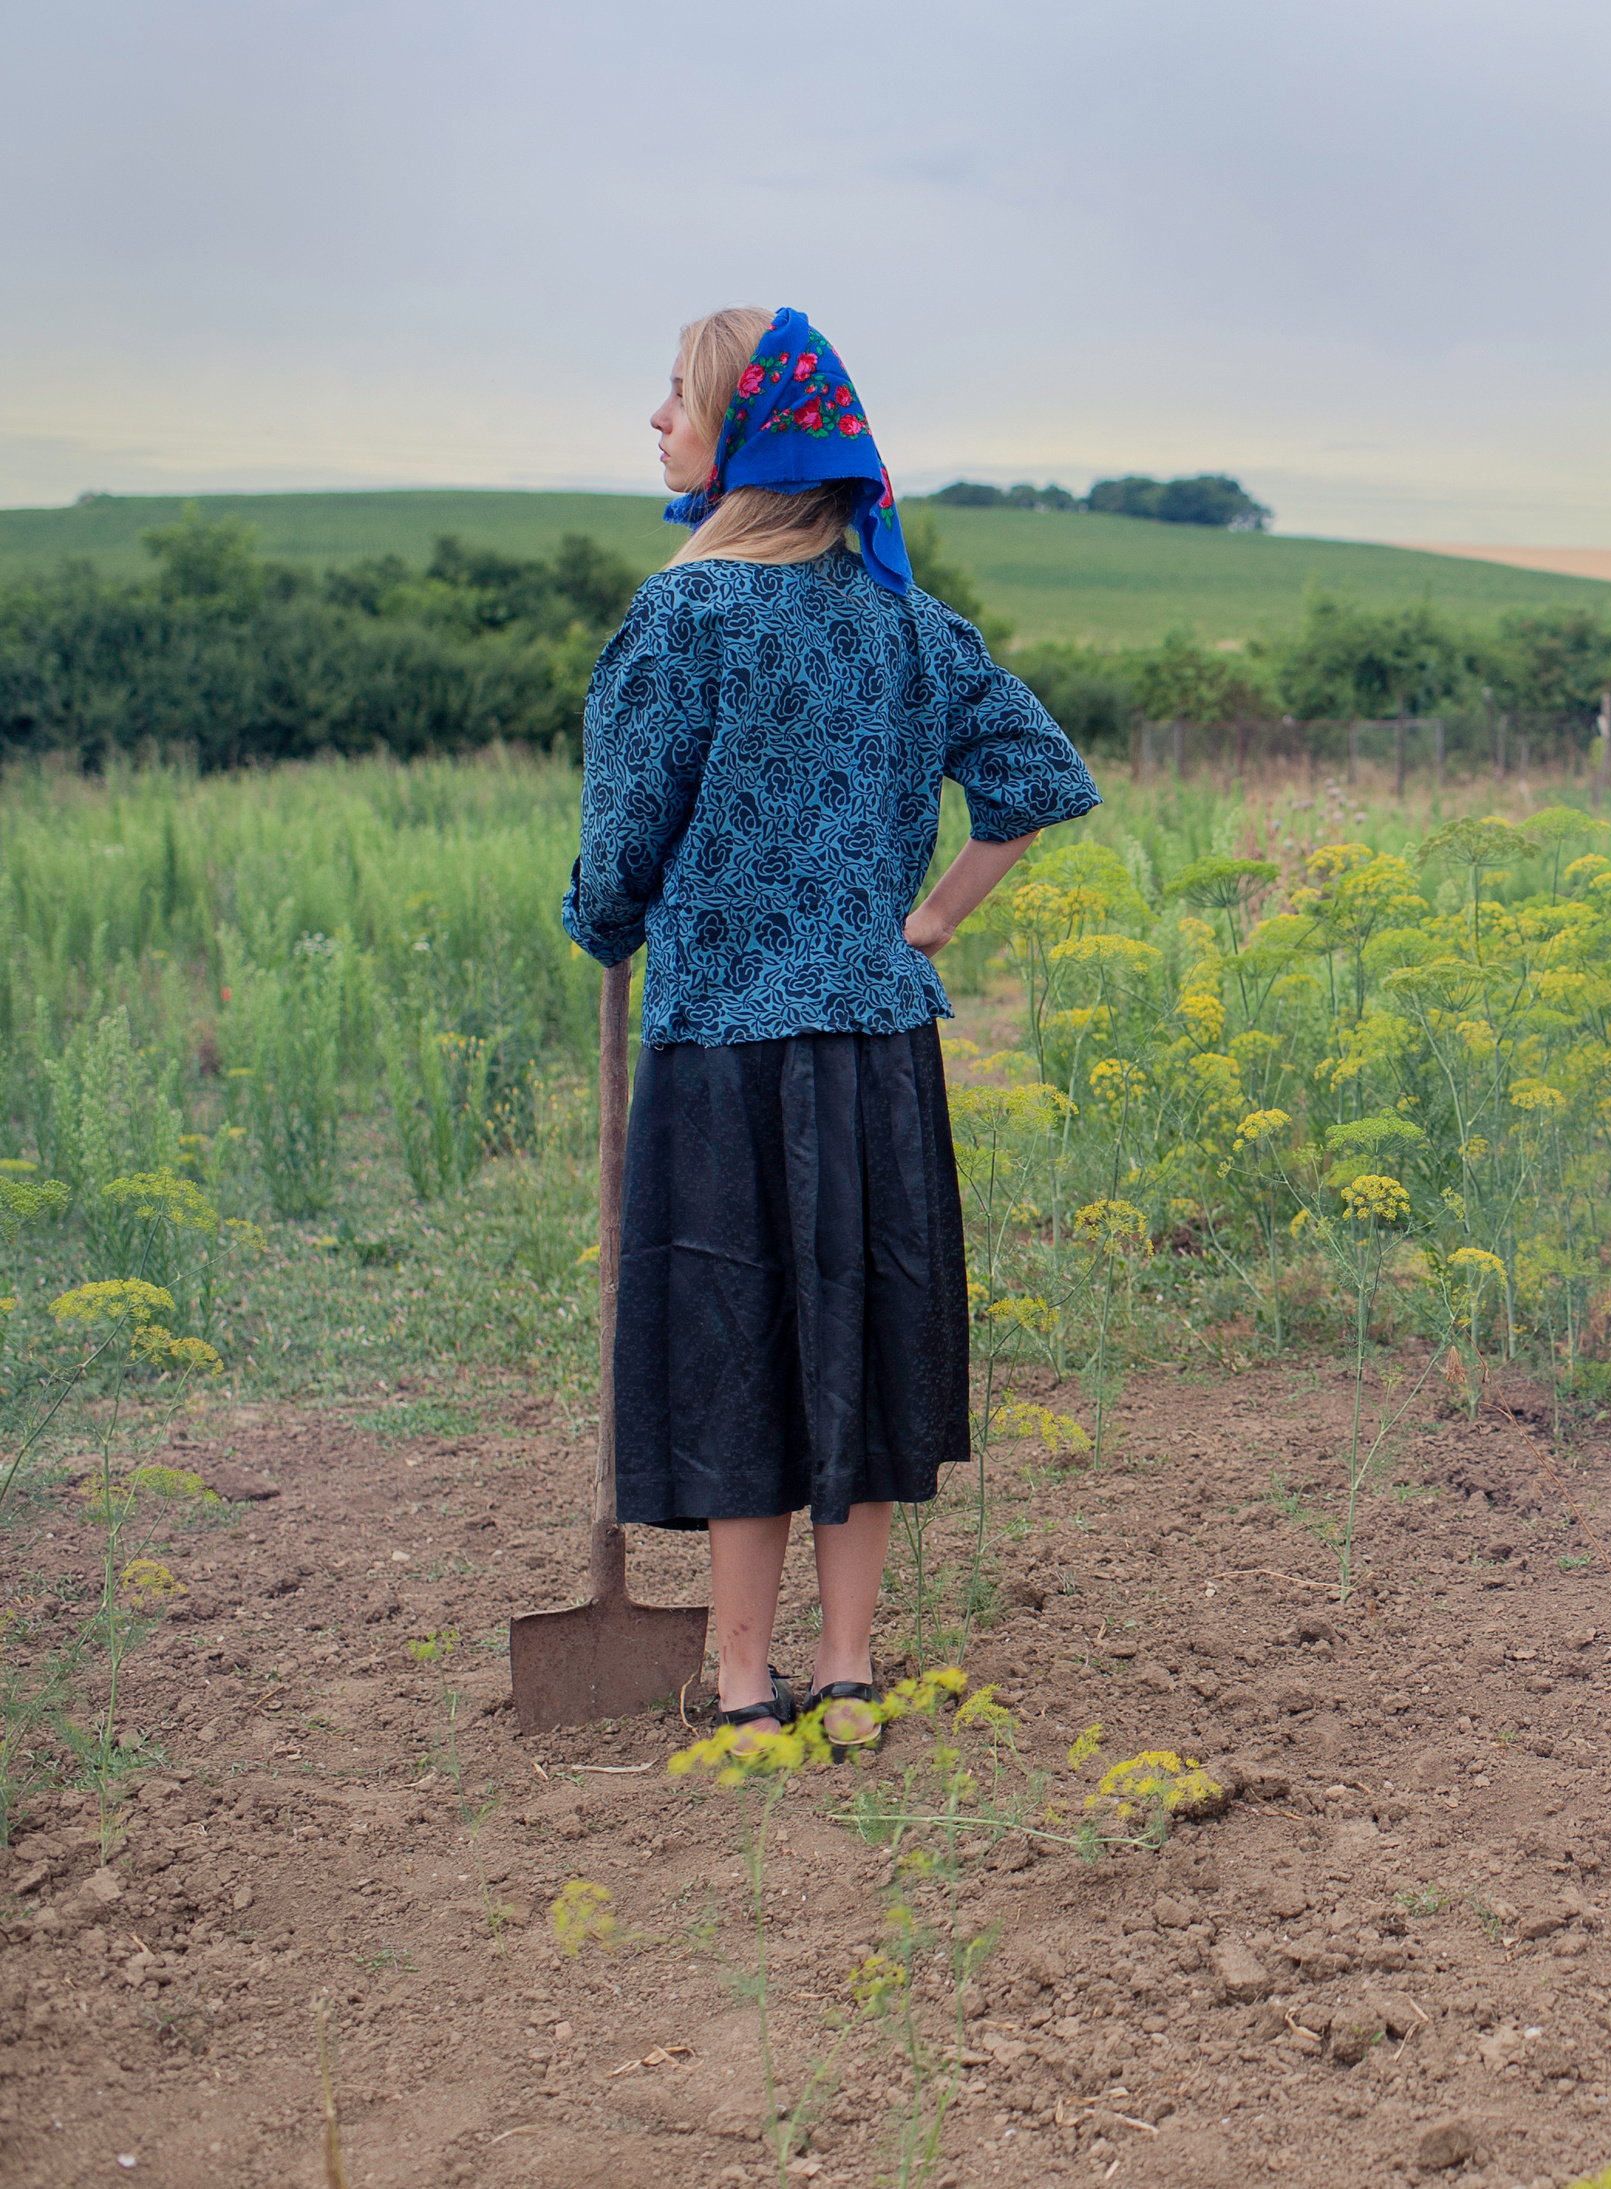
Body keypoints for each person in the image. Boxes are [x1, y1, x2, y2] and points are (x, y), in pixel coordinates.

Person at [562, 305, 1098, 1755]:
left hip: (722, 1054)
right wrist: (929, 923)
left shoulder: (683, 617)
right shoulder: (911, 624)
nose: (655, 421)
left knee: (739, 1347)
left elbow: (620, 857)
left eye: (678, 398)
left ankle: (745, 1688)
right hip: (877, 1053)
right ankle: (847, 1670)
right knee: (853, 1341)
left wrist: (599, 920)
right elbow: (1040, 778)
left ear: (744, 432)